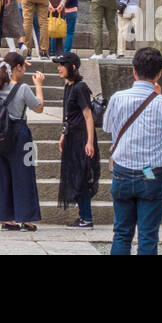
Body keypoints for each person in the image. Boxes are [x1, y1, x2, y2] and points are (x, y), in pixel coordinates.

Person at [102, 46, 162, 256]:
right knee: (148, 235)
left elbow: (108, 128)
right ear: (160, 73)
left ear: (133, 70)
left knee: (121, 233)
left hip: (122, 170)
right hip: (150, 171)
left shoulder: (117, 98)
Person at [0, 51, 44, 231]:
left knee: (3, 175)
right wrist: (39, 85)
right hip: (20, 135)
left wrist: (13, 62)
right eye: (22, 67)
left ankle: (7, 218)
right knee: (25, 175)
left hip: (0, 135)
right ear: (18, 68)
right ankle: (26, 218)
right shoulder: (23, 88)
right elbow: (39, 108)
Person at [55, 51, 100, 229]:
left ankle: (87, 217)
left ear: (72, 67)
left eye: (62, 65)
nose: (59, 68)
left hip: (81, 138)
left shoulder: (80, 87)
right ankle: (83, 216)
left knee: (81, 177)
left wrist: (89, 142)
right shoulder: (69, 86)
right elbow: (68, 115)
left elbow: (88, 116)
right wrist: (63, 134)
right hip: (71, 137)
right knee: (75, 176)